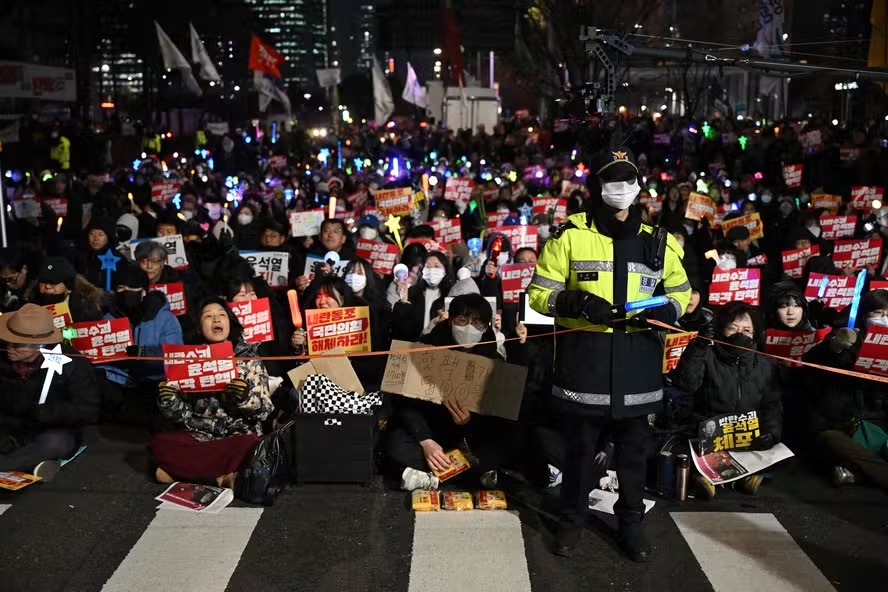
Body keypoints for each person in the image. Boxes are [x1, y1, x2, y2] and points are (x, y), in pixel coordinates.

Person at [527, 150, 691, 561]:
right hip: (587, 363)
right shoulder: (569, 237)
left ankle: (631, 524)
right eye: (612, 181)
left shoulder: (660, 241)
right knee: (579, 452)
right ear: (598, 188)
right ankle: (571, 521)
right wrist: (576, 302)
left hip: (638, 362)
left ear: (638, 188)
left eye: (628, 180)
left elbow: (682, 293)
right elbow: (538, 295)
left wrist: (664, 309)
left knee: (635, 456)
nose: (621, 189)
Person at [386, 294, 506, 491]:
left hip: (466, 438)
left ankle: (429, 476)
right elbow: (403, 403)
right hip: (429, 429)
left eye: (477, 323)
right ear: (450, 321)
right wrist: (426, 441)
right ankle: (461, 474)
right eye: (462, 321)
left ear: (486, 327)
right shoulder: (422, 349)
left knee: (499, 448)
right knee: (395, 442)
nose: (469, 329)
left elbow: (497, 419)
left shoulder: (494, 362)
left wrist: (469, 424)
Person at [150, 297, 273, 487]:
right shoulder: (188, 359)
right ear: (199, 327)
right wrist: (169, 400)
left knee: (250, 445)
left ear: (230, 323)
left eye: (221, 315)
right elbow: (181, 415)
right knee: (160, 443)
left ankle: (184, 473)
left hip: (237, 436)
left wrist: (245, 398)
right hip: (200, 435)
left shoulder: (248, 359)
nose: (216, 320)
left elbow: (265, 410)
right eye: (208, 316)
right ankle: (220, 477)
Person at [670, 302, 783, 498]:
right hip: (708, 432)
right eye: (733, 328)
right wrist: (698, 345)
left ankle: (740, 478)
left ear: (755, 334)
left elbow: (772, 404)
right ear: (722, 330)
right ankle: (706, 478)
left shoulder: (763, 364)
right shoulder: (707, 354)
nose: (740, 334)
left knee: (774, 452)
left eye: (747, 330)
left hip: (745, 436)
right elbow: (686, 384)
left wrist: (772, 432)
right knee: (687, 451)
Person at [0, 304, 100, 479]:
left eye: (18, 344)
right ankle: (29, 464)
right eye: (8, 341)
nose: (10, 347)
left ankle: (8, 464)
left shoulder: (72, 363)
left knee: (55, 442)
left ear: (39, 345)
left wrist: (48, 412)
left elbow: (88, 408)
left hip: (52, 428)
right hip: (9, 426)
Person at [803, 290, 888, 491]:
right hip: (838, 424)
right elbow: (813, 360)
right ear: (865, 314)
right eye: (878, 313)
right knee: (853, 454)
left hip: (877, 424)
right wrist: (836, 346)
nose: (884, 319)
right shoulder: (847, 336)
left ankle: (852, 474)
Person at [100, 265, 183, 421]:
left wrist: (144, 353)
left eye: (131, 288)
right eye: (121, 288)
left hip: (154, 384)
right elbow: (101, 361)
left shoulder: (166, 319)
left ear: (143, 292)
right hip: (121, 384)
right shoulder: (108, 319)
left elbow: (176, 358)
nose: (125, 292)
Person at [391, 251, 454, 342]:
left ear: (446, 270)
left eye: (437, 266)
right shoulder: (413, 293)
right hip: (414, 345)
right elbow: (400, 328)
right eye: (427, 266)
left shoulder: (451, 295)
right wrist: (403, 302)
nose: (432, 270)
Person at [29, 257, 103, 322]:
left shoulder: (87, 309)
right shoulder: (29, 307)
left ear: (68, 286)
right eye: (43, 281)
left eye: (53, 282)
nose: (47, 286)